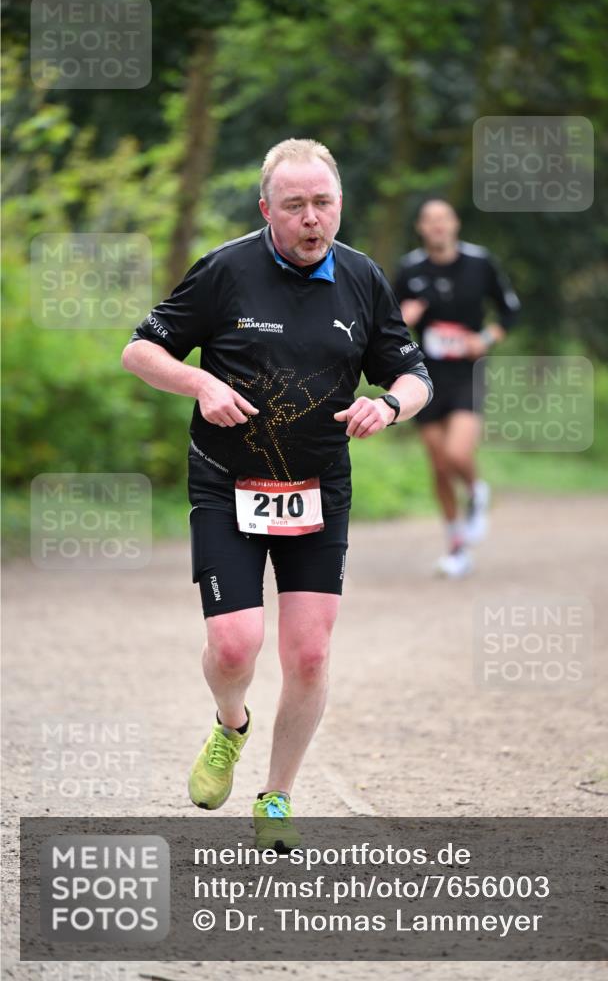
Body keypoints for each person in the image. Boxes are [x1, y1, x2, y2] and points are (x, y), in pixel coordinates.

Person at [121, 138, 432, 850]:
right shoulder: (226, 271)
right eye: (293, 205)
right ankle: (231, 723)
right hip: (227, 482)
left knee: (311, 655)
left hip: (317, 487)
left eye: (323, 203)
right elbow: (141, 349)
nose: (310, 218)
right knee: (234, 645)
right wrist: (199, 382)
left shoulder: (361, 279)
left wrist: (387, 406)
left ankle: (277, 796)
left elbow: (413, 374)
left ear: (338, 205)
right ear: (267, 209)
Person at [394, 200, 520, 578]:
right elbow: (386, 323)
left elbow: (510, 310)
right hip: (425, 374)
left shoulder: (480, 263)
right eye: (430, 221)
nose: (437, 227)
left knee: (456, 452)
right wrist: (405, 319)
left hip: (468, 370)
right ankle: (456, 545)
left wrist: (485, 337)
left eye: (443, 220)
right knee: (437, 464)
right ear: (421, 227)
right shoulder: (410, 269)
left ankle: (477, 490)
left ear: (455, 224)